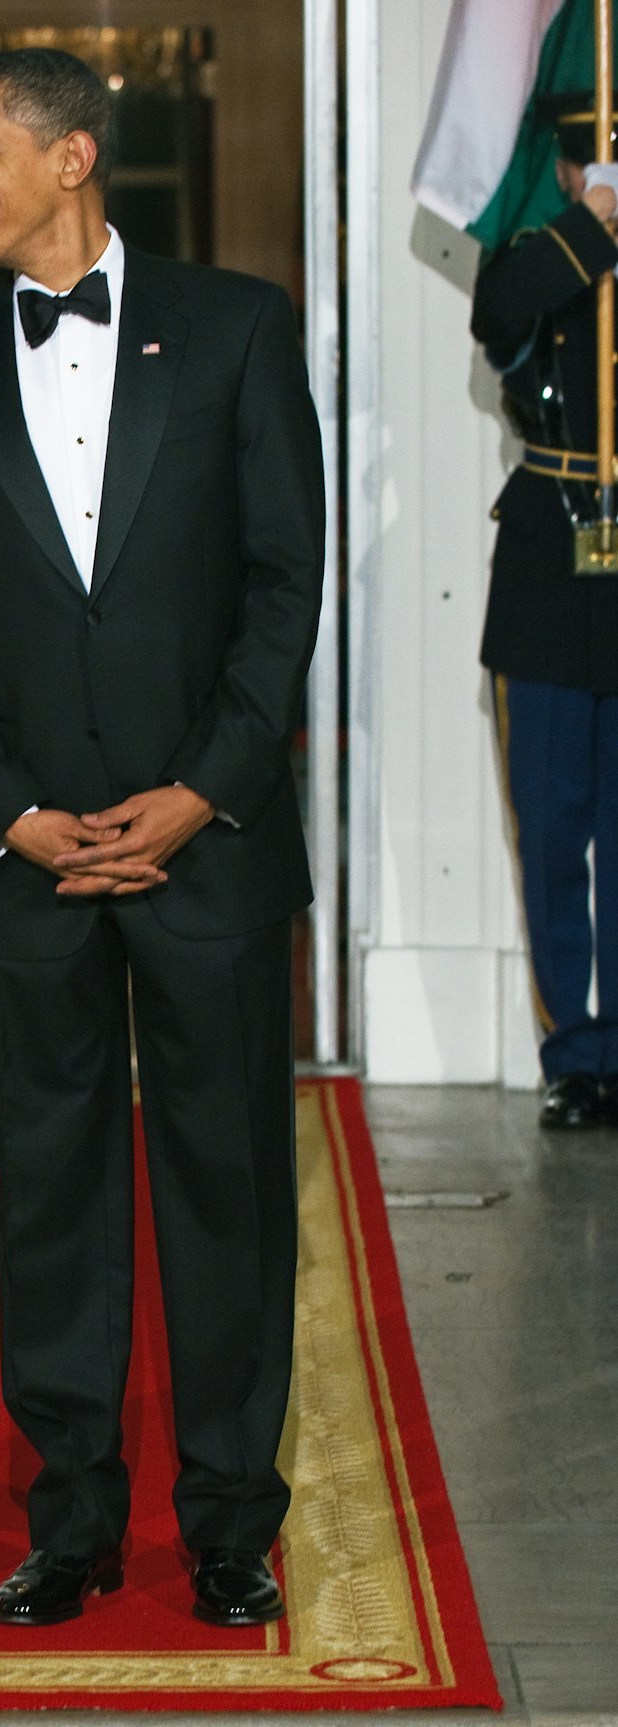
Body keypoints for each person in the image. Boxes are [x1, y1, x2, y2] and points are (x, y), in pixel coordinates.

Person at [0, 49, 324, 1629]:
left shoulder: (240, 328)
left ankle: (229, 1524)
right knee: (49, 1190)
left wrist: (200, 792)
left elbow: (285, 585)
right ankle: (68, 1519)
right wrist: (12, 813)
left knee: (229, 1190)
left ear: (72, 160)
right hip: (29, 858)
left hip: (208, 847)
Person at [471, 95, 618, 1132]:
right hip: (551, 567)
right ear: (565, 170)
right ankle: (576, 1050)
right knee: (555, 823)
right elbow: (501, 314)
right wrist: (593, 230)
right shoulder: (540, 253)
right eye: (588, 163)